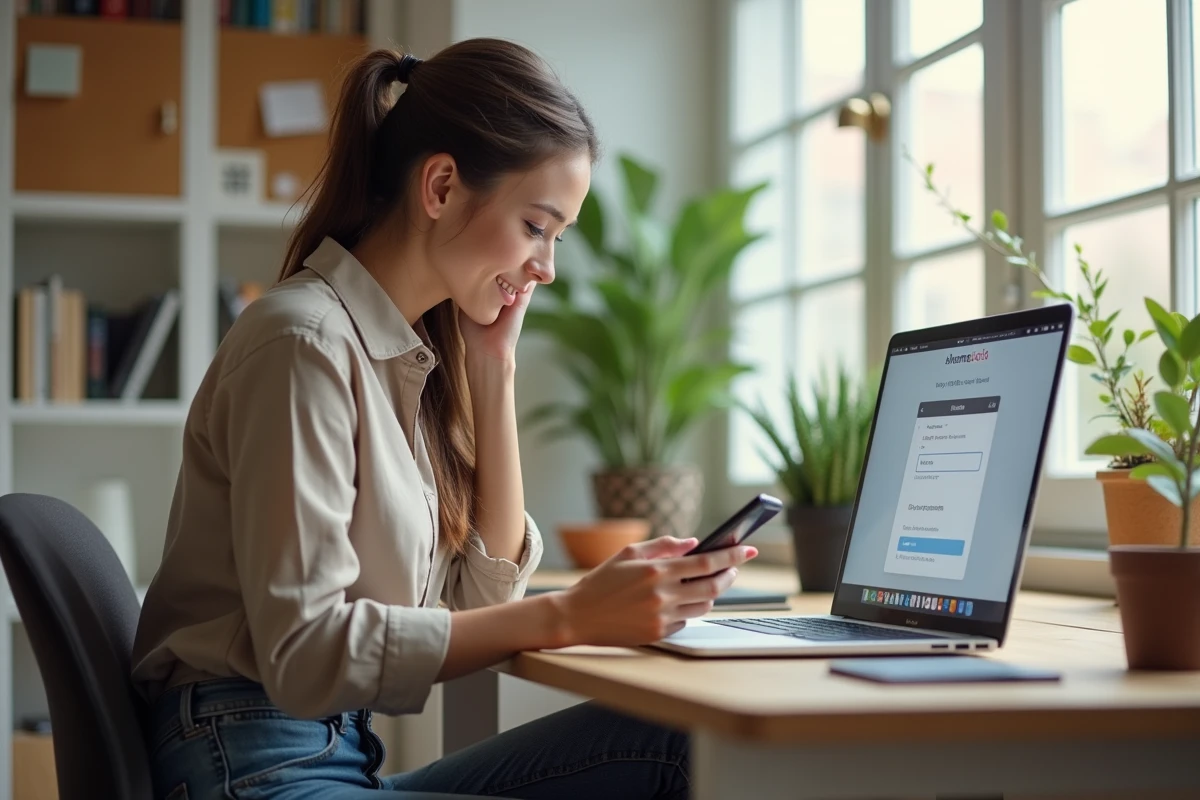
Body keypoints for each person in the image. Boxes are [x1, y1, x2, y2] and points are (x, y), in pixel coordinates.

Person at [130, 39, 756, 800]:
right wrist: (573, 614)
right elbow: (304, 653)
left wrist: (494, 371)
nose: (546, 267)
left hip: (325, 753)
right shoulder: (303, 344)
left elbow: (478, 604)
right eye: (536, 226)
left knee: (676, 742)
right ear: (442, 185)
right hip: (254, 763)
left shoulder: (408, 357)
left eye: (558, 238)